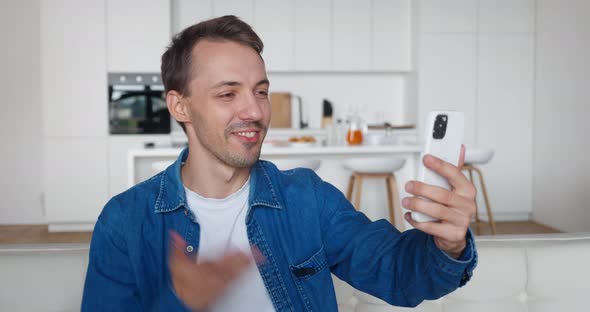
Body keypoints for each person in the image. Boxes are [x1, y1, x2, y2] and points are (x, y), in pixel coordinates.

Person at [82, 15, 477, 311]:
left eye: (261, 91)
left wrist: (448, 245)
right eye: (227, 94)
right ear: (179, 105)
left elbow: (398, 274)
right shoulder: (125, 220)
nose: (254, 111)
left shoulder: (308, 198)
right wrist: (181, 302)